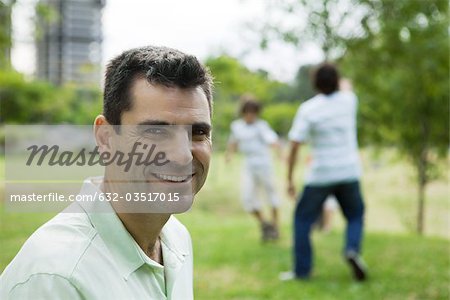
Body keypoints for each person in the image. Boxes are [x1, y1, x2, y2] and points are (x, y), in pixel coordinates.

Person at [0, 46, 214, 299]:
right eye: (156, 131)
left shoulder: (175, 238)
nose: (182, 155)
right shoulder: (57, 277)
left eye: (198, 132)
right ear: (105, 138)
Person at [284, 63, 367, 281]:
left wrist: (290, 179)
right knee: (355, 215)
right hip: (349, 171)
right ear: (337, 81)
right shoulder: (349, 100)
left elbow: (294, 145)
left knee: (302, 220)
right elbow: (347, 85)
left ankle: (302, 271)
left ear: (315, 84)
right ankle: (352, 250)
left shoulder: (309, 109)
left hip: (320, 174)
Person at [225, 96, 281, 242]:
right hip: (249, 164)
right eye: (248, 112)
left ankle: (276, 227)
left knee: (271, 194)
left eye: (253, 112)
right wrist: (229, 155)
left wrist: (280, 153)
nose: (250, 115)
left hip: (264, 163)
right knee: (248, 198)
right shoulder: (237, 126)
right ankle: (265, 224)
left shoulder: (261, 126)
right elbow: (233, 141)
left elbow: (273, 140)